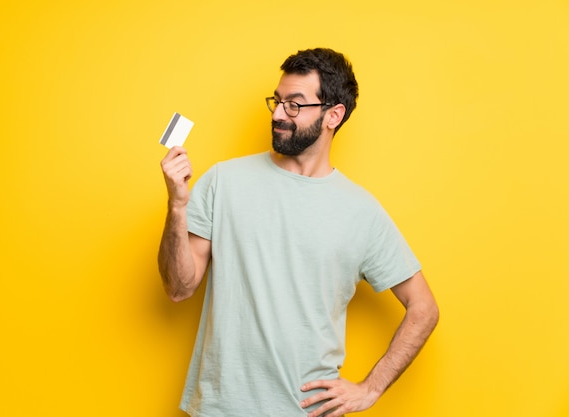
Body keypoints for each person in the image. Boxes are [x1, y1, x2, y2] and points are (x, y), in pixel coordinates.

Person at [158, 48, 439, 417]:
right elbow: (179, 288)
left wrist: (370, 389)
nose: (277, 113)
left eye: (294, 104)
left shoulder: (362, 212)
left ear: (333, 115)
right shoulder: (224, 182)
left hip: (306, 411)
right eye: (277, 101)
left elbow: (424, 308)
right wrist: (177, 206)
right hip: (220, 409)